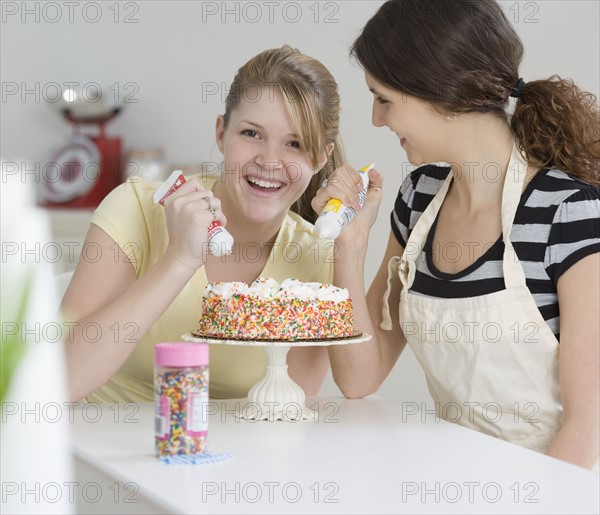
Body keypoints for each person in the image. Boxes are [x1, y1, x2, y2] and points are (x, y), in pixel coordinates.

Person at [314, 0, 599, 469]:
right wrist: (349, 245)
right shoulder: (418, 199)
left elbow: (587, 427)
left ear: (443, 94)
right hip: (451, 484)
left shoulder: (568, 213)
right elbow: (359, 378)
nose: (376, 119)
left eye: (383, 98)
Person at [60, 45, 362, 402]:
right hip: (99, 445)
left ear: (320, 158)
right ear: (221, 134)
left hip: (232, 455)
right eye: (251, 134)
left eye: (295, 144)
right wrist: (179, 260)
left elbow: (288, 407)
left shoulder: (316, 256)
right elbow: (60, 380)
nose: (269, 160)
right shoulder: (137, 209)